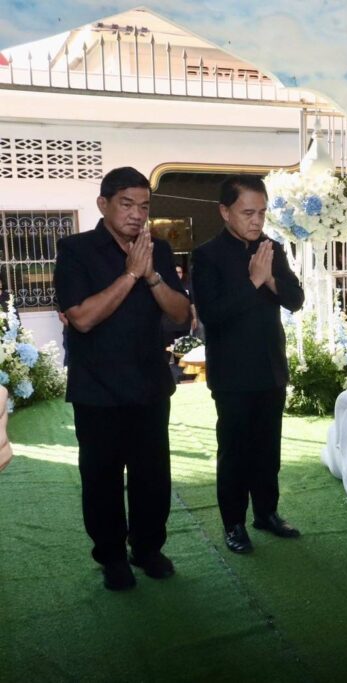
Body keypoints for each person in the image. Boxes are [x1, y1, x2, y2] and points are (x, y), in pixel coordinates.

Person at [54, 166, 191, 591]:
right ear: (104, 204)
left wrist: (151, 275)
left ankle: (147, 549)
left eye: (144, 206)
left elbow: (181, 314)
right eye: (126, 204)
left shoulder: (158, 250)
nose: (136, 214)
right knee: (102, 478)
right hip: (97, 389)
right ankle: (112, 556)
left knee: (153, 476)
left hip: (150, 384)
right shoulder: (76, 250)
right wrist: (130, 274)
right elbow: (82, 318)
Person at [191, 175, 304, 554]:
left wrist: (270, 280)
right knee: (235, 451)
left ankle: (266, 513)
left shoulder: (272, 248)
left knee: (268, 449)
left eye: (262, 213)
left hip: (270, 367)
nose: (256, 221)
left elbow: (296, 299)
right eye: (248, 213)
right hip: (232, 374)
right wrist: (253, 282)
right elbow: (212, 314)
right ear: (225, 212)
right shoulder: (207, 255)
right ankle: (234, 524)